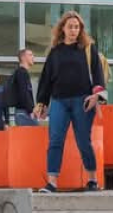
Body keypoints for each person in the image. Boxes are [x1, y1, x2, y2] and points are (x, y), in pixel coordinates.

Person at [34, 11, 106, 193]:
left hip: (82, 102)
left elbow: (98, 75)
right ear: (63, 29)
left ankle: (92, 180)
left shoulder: (88, 49)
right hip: (58, 101)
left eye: (77, 27)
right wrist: (41, 103)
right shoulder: (55, 52)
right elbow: (46, 79)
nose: (73, 30)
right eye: (70, 27)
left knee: (83, 141)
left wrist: (96, 96)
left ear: (80, 29)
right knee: (55, 141)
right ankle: (52, 182)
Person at [7, 49, 37, 126]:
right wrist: (31, 111)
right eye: (30, 55)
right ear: (23, 58)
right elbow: (24, 93)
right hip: (24, 113)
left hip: (22, 113)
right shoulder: (22, 73)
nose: (33, 57)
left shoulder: (20, 72)